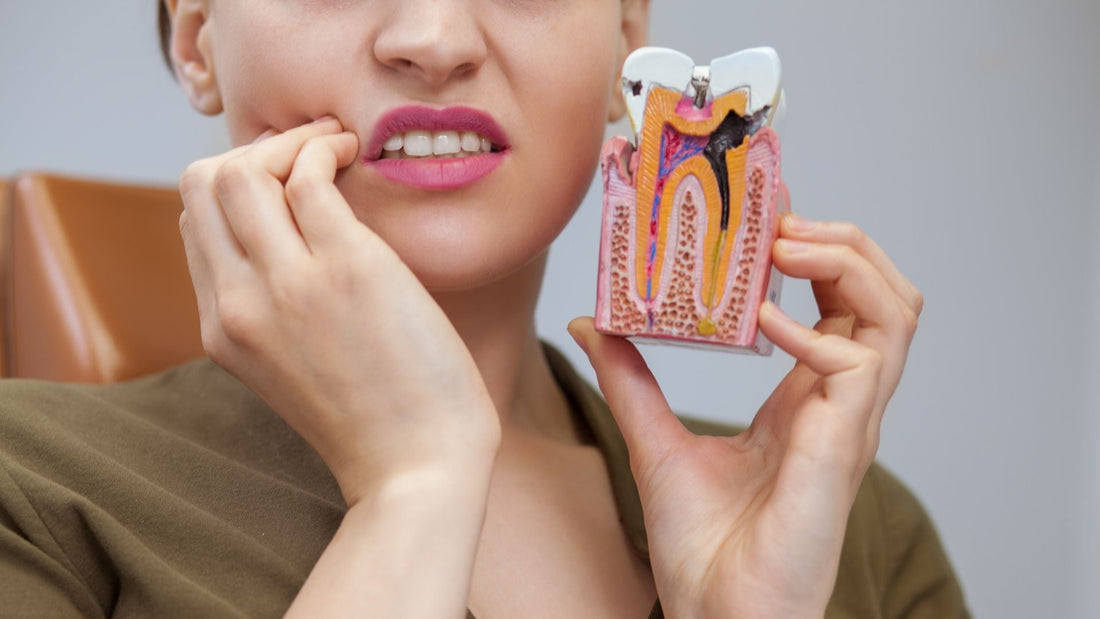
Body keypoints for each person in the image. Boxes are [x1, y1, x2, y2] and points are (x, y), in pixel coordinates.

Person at [0, 0, 969, 617]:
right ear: (196, 39)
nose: (433, 39)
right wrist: (413, 487)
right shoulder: (26, 487)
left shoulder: (845, 519)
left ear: (628, 43)